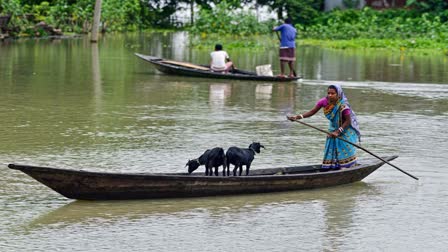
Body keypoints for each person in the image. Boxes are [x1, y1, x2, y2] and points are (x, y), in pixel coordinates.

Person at [287, 84, 361, 171]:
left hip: (345, 130)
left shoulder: (343, 106)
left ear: (338, 94)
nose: (330, 95)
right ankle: (333, 167)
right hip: (332, 129)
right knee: (331, 148)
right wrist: (297, 117)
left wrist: (338, 131)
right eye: (328, 93)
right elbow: (312, 112)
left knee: (345, 151)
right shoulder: (323, 102)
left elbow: (348, 121)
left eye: (332, 93)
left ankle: (346, 168)